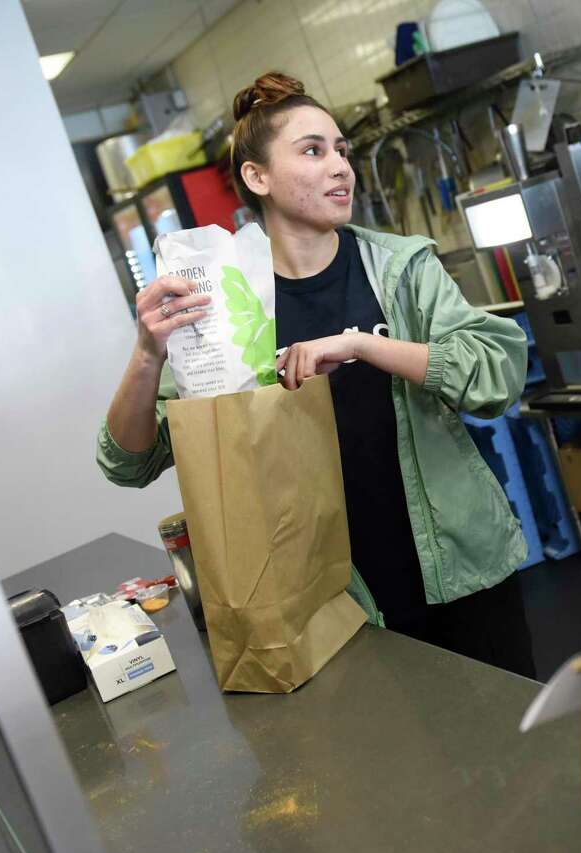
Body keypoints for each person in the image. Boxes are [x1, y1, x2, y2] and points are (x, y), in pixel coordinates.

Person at [97, 72, 536, 677]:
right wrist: (148, 352)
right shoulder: (227, 306)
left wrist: (364, 345)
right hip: (330, 597)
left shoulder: (399, 267)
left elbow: (497, 372)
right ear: (258, 178)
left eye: (342, 150)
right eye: (312, 151)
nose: (340, 167)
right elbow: (130, 462)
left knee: (513, 748)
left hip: (457, 567)